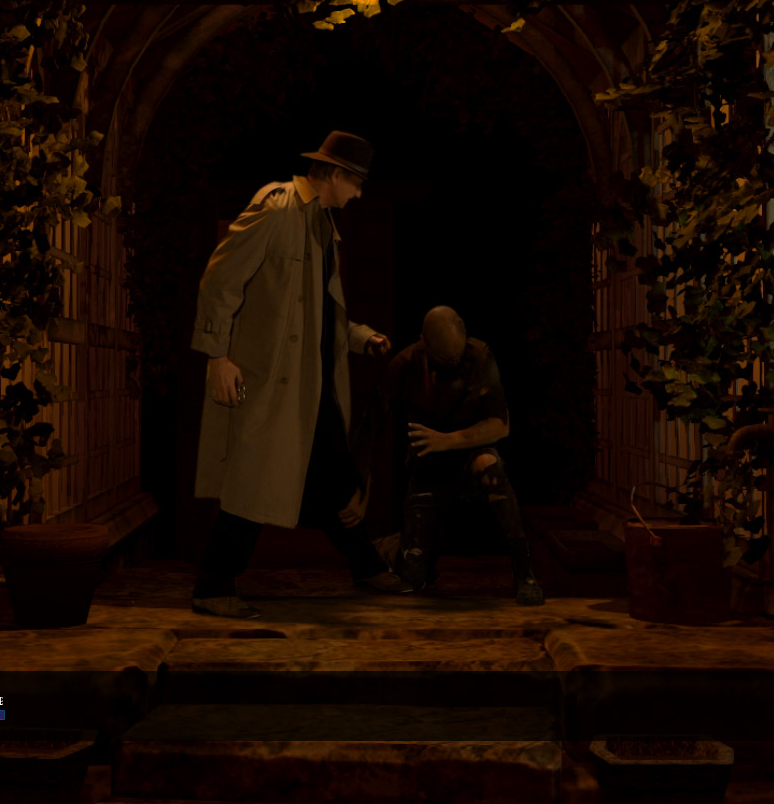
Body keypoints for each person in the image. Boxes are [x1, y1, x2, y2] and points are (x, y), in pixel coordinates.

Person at [190, 131, 410, 619]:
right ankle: (213, 585)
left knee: (333, 475)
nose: (359, 194)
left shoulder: (322, 224)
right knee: (253, 480)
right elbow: (220, 280)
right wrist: (217, 356)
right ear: (334, 174)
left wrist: (361, 337)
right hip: (272, 380)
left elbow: (317, 311)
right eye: (356, 183)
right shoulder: (277, 208)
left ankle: (365, 565)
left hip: (311, 381)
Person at [382, 306, 544, 606]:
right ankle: (396, 547)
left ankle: (524, 571)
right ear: (423, 342)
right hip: (428, 466)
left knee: (490, 465)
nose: (452, 365)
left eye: (455, 358)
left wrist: (447, 440)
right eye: (444, 359)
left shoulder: (479, 356)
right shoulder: (405, 363)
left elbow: (500, 424)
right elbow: (373, 420)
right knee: (414, 575)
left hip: (468, 454)